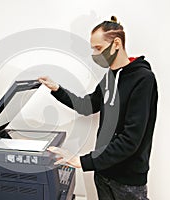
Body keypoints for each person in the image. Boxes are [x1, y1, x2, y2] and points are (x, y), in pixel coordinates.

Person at [38, 16, 158, 200]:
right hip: (103, 172)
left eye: (99, 48)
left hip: (127, 179)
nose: (95, 54)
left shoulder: (143, 79)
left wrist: (82, 161)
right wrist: (57, 89)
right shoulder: (109, 78)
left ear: (116, 43)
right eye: (93, 48)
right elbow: (87, 105)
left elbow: (130, 139)